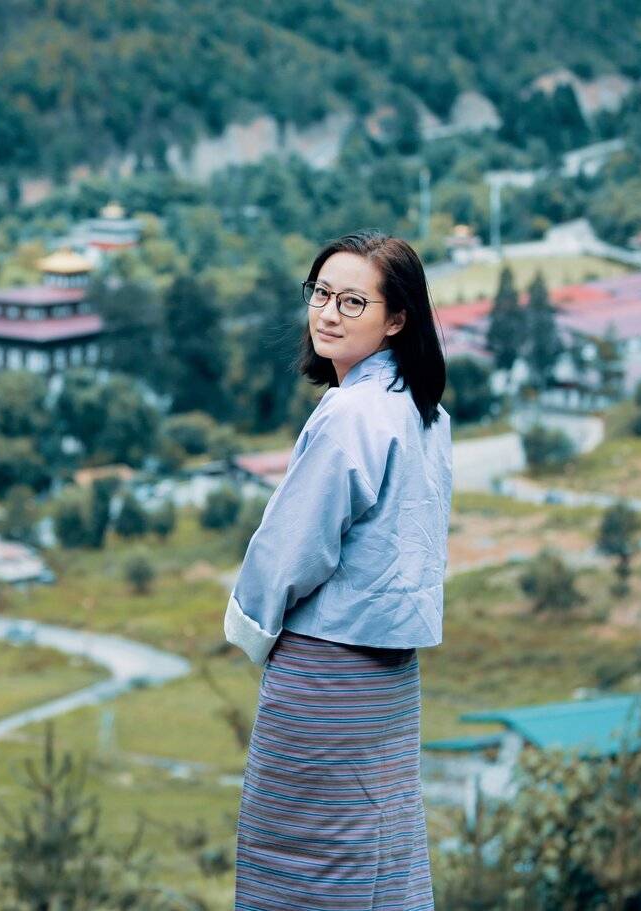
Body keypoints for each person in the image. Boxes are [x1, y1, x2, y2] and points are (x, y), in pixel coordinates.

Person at [225, 232, 451, 911]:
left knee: (304, 858)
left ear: (397, 317)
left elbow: (293, 547)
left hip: (325, 672)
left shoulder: (352, 411)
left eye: (353, 301)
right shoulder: (424, 409)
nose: (328, 313)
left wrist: (252, 628)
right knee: (379, 844)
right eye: (321, 293)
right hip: (390, 676)